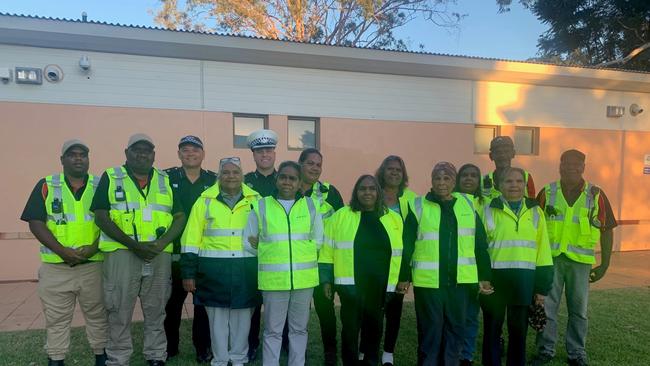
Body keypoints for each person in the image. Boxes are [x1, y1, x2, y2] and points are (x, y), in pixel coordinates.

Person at [92, 133, 186, 366]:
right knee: (119, 309)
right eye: (137, 150)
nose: (142, 154)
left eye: (147, 150)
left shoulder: (164, 179)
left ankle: (156, 355)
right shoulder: (112, 177)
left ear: (153, 155)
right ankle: (118, 357)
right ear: (127, 153)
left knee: (156, 309)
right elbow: (101, 217)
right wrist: (133, 245)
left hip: (158, 254)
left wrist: (163, 244)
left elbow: (180, 216)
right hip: (122, 253)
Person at [21, 139, 108, 366]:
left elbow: (111, 222)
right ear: (62, 160)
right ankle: (56, 359)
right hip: (56, 267)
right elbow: (35, 222)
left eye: (83, 154)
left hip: (94, 265)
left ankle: (101, 357)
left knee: (98, 315)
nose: (78, 158)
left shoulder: (100, 185)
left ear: (89, 159)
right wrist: (62, 251)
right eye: (72, 155)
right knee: (56, 318)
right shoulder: (47, 185)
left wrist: (93, 248)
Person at [532, 150, 617, 366]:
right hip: (549, 261)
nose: (571, 167)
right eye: (566, 163)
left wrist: (605, 264)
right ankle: (545, 350)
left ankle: (576, 353)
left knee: (578, 311)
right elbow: (532, 227)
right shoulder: (547, 192)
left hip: (580, 263)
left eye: (577, 163)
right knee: (546, 308)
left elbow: (607, 230)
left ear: (583, 167)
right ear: (560, 165)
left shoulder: (595, 194)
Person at [408, 162, 493, 366]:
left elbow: (480, 244)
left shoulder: (467, 205)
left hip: (460, 283)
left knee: (456, 329)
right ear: (432, 181)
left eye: (446, 178)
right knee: (431, 331)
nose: (441, 183)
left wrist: (484, 276)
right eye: (437, 178)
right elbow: (407, 243)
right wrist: (404, 276)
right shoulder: (418, 206)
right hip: (429, 284)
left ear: (454, 181)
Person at [181, 157, 260, 366]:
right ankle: (220, 360)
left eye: (235, 172)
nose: (231, 176)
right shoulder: (204, 201)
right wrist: (188, 273)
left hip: (246, 271)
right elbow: (190, 239)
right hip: (213, 272)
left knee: (243, 320)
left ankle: (239, 359)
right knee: (217, 322)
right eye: (226, 172)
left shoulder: (257, 201)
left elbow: (267, 235)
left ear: (242, 176)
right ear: (219, 176)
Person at [319, 174, 406, 366]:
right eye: (363, 189)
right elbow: (327, 250)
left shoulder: (393, 219)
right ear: (356, 192)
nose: (367, 192)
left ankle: (370, 360)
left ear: (379, 192)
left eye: (372, 188)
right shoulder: (341, 216)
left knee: (374, 327)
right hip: (350, 285)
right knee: (350, 330)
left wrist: (401, 279)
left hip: (381, 284)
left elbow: (400, 252)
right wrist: (326, 279)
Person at [244, 161, 323, 366]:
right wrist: (267, 248)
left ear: (299, 183)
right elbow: (249, 242)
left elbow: (318, 240)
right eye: (284, 177)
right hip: (273, 280)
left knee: (299, 328)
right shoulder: (261, 205)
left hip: (303, 280)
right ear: (277, 179)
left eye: (293, 178)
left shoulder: (311, 205)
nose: (287, 181)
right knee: (273, 330)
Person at [480, 167, 553, 366]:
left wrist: (541, 288)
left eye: (519, 181)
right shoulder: (488, 209)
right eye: (508, 181)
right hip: (495, 282)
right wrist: (483, 277)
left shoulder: (536, 211)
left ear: (524, 185)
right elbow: (479, 248)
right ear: (499, 185)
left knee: (518, 332)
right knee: (492, 331)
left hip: (524, 282)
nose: (514, 185)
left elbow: (543, 252)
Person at [163, 136, 215, 363]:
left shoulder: (213, 180)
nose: (190, 153)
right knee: (172, 305)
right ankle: (170, 347)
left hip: (204, 254)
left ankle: (202, 348)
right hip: (174, 253)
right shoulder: (166, 178)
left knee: (202, 307)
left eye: (195, 150)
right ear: (179, 154)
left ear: (203, 154)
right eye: (185, 150)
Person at [362, 155, 418, 366]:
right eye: (390, 169)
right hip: (372, 266)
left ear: (403, 174)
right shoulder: (371, 195)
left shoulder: (411, 200)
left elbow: (410, 240)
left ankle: (388, 353)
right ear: (382, 172)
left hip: (398, 265)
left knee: (394, 312)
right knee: (369, 311)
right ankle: (365, 349)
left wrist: (405, 273)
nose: (394, 172)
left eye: (398, 170)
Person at [298, 148, 344, 366]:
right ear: (300, 164)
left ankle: (330, 353)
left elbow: (343, 225)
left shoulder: (330, 192)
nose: (315, 168)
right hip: (297, 264)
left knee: (326, 311)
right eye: (310, 163)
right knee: (298, 313)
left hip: (323, 263)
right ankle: (298, 352)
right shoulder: (289, 189)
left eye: (318, 164)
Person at [244, 128, 279, 361]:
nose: (264, 154)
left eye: (268, 150)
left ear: (274, 153)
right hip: (253, 254)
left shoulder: (286, 180)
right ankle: (252, 343)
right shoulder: (244, 182)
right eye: (259, 151)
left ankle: (283, 341)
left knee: (280, 305)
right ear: (253, 155)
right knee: (253, 303)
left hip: (279, 255)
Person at [455, 164, 487, 366]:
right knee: (458, 315)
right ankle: (453, 352)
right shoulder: (452, 200)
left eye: (473, 175)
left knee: (471, 316)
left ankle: (466, 354)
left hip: (482, 266)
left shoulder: (489, 204)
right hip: (458, 269)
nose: (469, 179)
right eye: (464, 175)